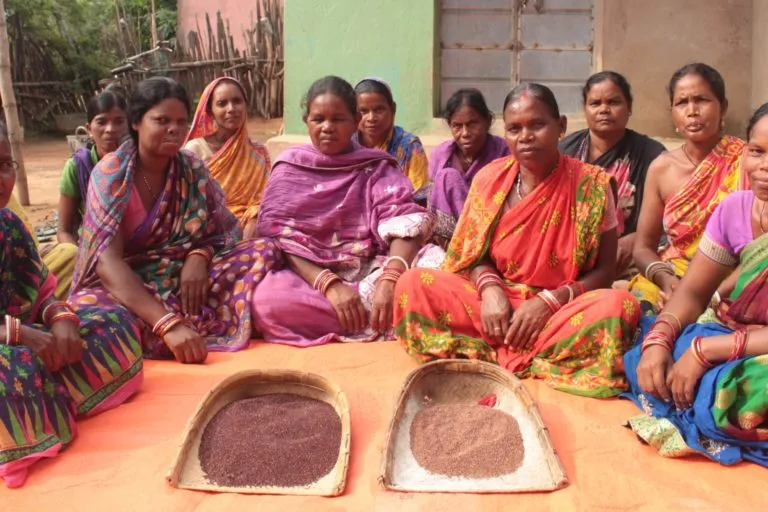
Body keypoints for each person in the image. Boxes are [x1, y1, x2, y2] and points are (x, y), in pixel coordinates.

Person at [393, 83, 640, 398]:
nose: (525, 136)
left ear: (561, 126)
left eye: (537, 125)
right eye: (514, 128)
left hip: (559, 308)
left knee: (620, 306)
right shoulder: (490, 179)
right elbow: (470, 256)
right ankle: (528, 351)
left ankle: (491, 352)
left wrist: (547, 303)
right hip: (491, 306)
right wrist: (491, 290)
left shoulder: (592, 185)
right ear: (505, 133)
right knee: (414, 283)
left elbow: (606, 272)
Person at [68, 77, 281, 363]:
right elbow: (108, 264)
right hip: (130, 286)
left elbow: (222, 233)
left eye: (181, 122)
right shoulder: (112, 175)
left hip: (183, 279)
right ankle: (183, 327)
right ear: (136, 122)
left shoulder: (191, 168)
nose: (175, 130)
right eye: (161, 120)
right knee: (93, 318)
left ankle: (185, 326)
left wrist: (198, 256)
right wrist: (167, 323)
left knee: (263, 249)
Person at [623, 103, 768, 467]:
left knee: (743, 389)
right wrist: (660, 340)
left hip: (753, 348)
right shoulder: (736, 208)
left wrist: (707, 352)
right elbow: (692, 293)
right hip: (731, 330)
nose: (764, 166)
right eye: (757, 152)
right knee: (652, 357)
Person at [0, 121, 143, 488]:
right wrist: (21, 335)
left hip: (25, 336)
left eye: (4, 165)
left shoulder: (9, 224)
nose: (1, 179)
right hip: (12, 348)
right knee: (11, 372)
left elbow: (40, 291)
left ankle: (45, 402)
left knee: (112, 320)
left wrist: (61, 318)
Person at [253, 76, 434, 346]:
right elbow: (278, 241)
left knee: (434, 272)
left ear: (355, 122)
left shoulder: (377, 166)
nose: (327, 127)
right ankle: (386, 318)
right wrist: (329, 284)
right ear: (306, 122)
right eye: (318, 119)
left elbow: (406, 224)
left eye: (338, 119)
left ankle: (377, 311)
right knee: (267, 301)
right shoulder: (289, 168)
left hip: (372, 270)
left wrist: (390, 279)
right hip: (309, 278)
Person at [629, 63, 746, 315]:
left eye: (702, 100)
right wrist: (667, 281)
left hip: (731, 280)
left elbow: (758, 246)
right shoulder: (661, 168)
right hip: (673, 275)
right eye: (682, 103)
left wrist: (711, 296)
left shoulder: (746, 161)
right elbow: (642, 248)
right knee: (631, 315)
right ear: (671, 111)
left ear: (722, 107)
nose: (692, 111)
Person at [560, 71, 666, 276]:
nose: (604, 110)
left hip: (628, 259)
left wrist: (635, 240)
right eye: (595, 103)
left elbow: (669, 218)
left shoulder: (651, 155)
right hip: (569, 255)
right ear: (585, 109)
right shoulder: (565, 151)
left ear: (629, 107)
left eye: (613, 102)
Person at [42, 89, 129, 298]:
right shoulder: (79, 167)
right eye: (102, 122)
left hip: (136, 253)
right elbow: (63, 229)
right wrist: (82, 262)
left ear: (130, 124)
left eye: (118, 121)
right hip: (91, 256)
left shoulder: (140, 164)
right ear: (89, 129)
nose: (110, 129)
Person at [183, 77, 271, 238]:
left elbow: (267, 200)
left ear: (245, 105)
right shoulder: (195, 150)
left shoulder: (258, 152)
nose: (231, 109)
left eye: (237, 101)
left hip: (254, 226)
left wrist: (252, 224)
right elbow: (192, 205)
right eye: (222, 103)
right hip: (210, 230)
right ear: (209, 111)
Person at [428, 88, 510, 247]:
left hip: (490, 234)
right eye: (457, 126)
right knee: (447, 177)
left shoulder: (504, 154)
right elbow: (432, 204)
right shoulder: (441, 155)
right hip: (447, 241)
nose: (465, 133)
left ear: (488, 121)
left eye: (472, 124)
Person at [353, 77, 428, 193]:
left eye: (379, 110)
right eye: (363, 111)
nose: (371, 118)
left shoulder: (409, 146)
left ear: (393, 109)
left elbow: (419, 195)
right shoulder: (348, 144)